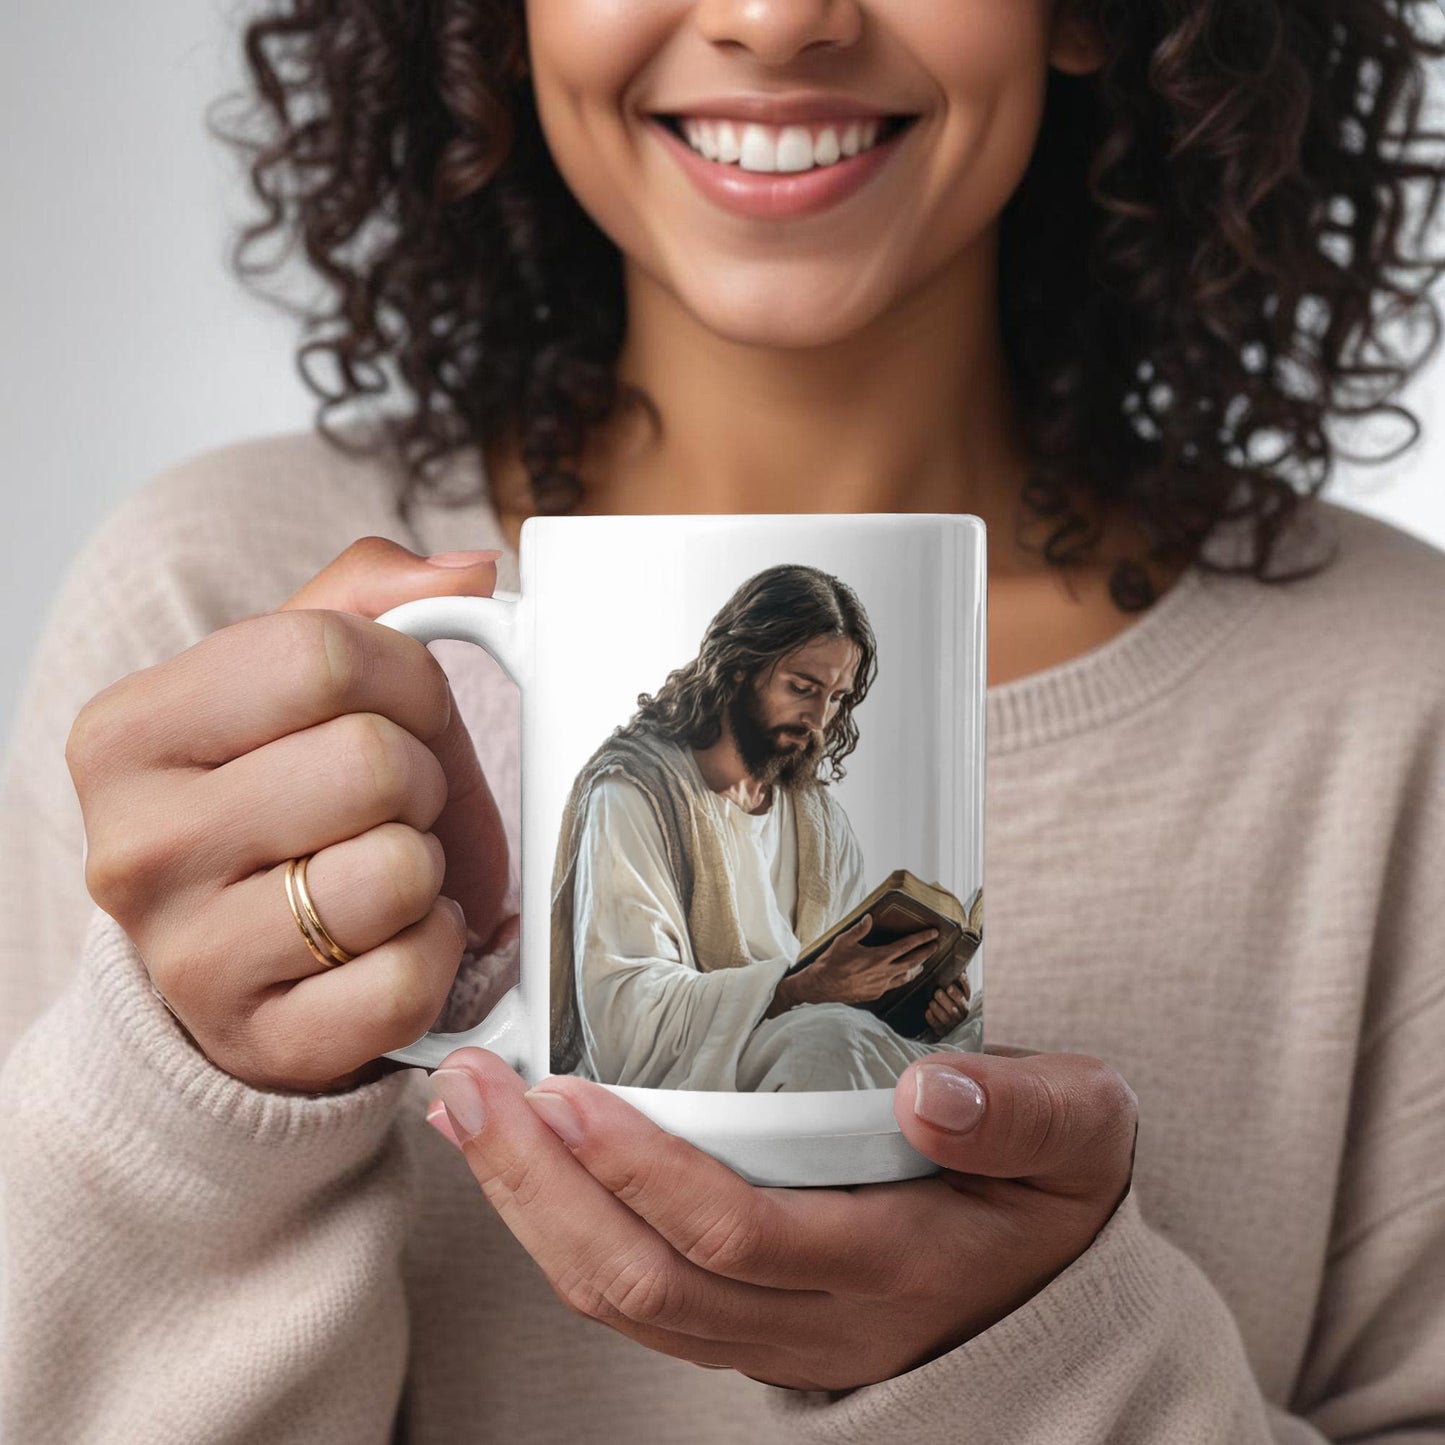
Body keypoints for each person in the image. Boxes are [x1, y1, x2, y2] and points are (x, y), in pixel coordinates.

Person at [2, 0, 1443, 1441]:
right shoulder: (219, 615)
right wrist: (191, 1101)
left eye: (837, 695)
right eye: (799, 687)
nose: (774, 17)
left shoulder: (1393, 695)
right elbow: (628, 1007)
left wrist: (1053, 1360)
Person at [550, 562, 978, 1091]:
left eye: (837, 697)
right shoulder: (635, 796)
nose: (820, 719)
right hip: (705, 1079)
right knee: (826, 1044)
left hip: (824, 1038)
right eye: (802, 687)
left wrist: (919, 999)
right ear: (738, 668)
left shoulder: (821, 824)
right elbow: (624, 1023)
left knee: (976, 1023)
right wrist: (798, 991)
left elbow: (853, 1000)